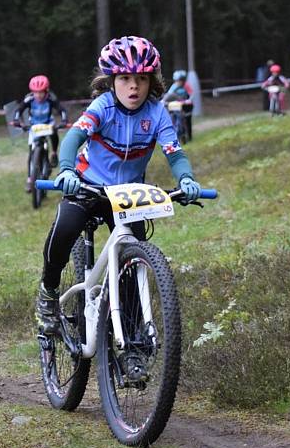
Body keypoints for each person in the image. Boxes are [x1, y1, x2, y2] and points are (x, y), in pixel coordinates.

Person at [34, 35, 202, 335]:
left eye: (141, 78)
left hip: (127, 196)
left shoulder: (157, 112)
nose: (133, 86)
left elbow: (175, 154)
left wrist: (186, 179)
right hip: (87, 185)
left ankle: (132, 337)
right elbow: (73, 139)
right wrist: (67, 170)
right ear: (111, 80)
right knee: (65, 227)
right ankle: (48, 291)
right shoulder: (103, 106)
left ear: (152, 81)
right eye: (125, 78)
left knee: (133, 262)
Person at [13, 74, 68, 191]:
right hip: (34, 126)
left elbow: (62, 110)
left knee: (54, 132)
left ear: (46, 91)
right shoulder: (29, 99)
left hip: (48, 123)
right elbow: (18, 110)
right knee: (31, 151)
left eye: (41, 92)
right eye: (35, 92)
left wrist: (64, 120)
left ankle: (53, 152)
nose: (38, 95)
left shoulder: (51, 98)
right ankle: (29, 178)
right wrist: (17, 120)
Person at [163, 69, 195, 140]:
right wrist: (164, 101)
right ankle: (178, 134)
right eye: (177, 81)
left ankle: (189, 136)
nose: (179, 82)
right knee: (175, 118)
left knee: (188, 121)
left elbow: (191, 94)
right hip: (178, 106)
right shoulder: (174, 86)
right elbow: (169, 95)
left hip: (187, 105)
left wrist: (189, 100)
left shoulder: (186, 85)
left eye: (180, 80)